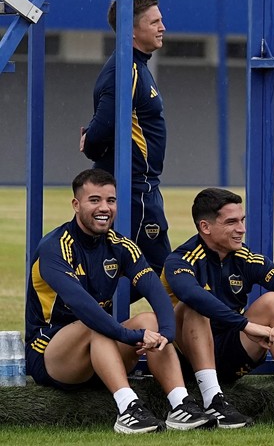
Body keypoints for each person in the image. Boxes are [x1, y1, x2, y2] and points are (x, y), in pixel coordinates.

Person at [25, 168, 215, 434]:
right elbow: (83, 306)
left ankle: (180, 405)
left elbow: (155, 291)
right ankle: (128, 409)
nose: (104, 208)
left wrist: (167, 333)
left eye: (110, 200)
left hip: (102, 349)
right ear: (76, 205)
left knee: (150, 320)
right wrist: (130, 336)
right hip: (52, 355)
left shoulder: (121, 245)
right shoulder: (55, 247)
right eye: (94, 200)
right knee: (94, 323)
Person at [163, 188, 274, 427]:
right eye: (231, 222)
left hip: (230, 352)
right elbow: (191, 294)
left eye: (242, 220)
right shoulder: (181, 259)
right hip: (184, 358)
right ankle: (213, 401)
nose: (242, 229)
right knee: (194, 306)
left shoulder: (246, 258)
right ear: (205, 227)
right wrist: (247, 325)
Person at [81, 0, 171, 275]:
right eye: (154, 22)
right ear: (131, 30)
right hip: (134, 189)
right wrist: (90, 141)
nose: (162, 27)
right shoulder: (126, 70)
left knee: (126, 270)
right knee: (163, 274)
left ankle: (91, 302)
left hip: (140, 186)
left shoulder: (136, 66)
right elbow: (102, 128)